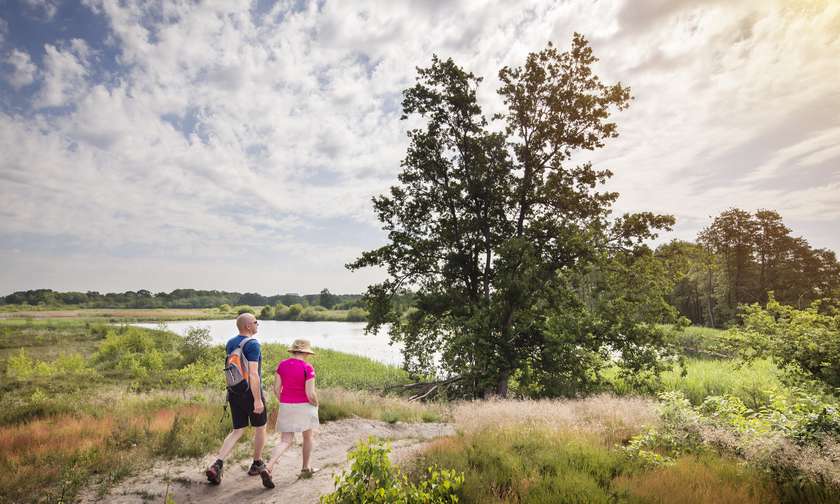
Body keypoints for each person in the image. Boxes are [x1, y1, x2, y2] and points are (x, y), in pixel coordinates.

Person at [205, 312, 268, 486]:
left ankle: (217, 464)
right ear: (248, 326)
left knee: (237, 430)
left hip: (234, 392)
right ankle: (256, 463)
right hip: (250, 392)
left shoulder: (231, 343)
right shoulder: (253, 344)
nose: (257, 325)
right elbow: (253, 374)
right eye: (256, 322)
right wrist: (257, 399)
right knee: (260, 427)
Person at [260, 338, 320, 489]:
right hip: (304, 406)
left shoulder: (282, 365)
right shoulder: (308, 367)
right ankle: (305, 468)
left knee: (285, 441)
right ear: (306, 352)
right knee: (308, 437)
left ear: (293, 351)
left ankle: (268, 467)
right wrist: (316, 403)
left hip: (286, 404)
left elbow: (276, 389)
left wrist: (286, 401)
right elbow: (310, 393)